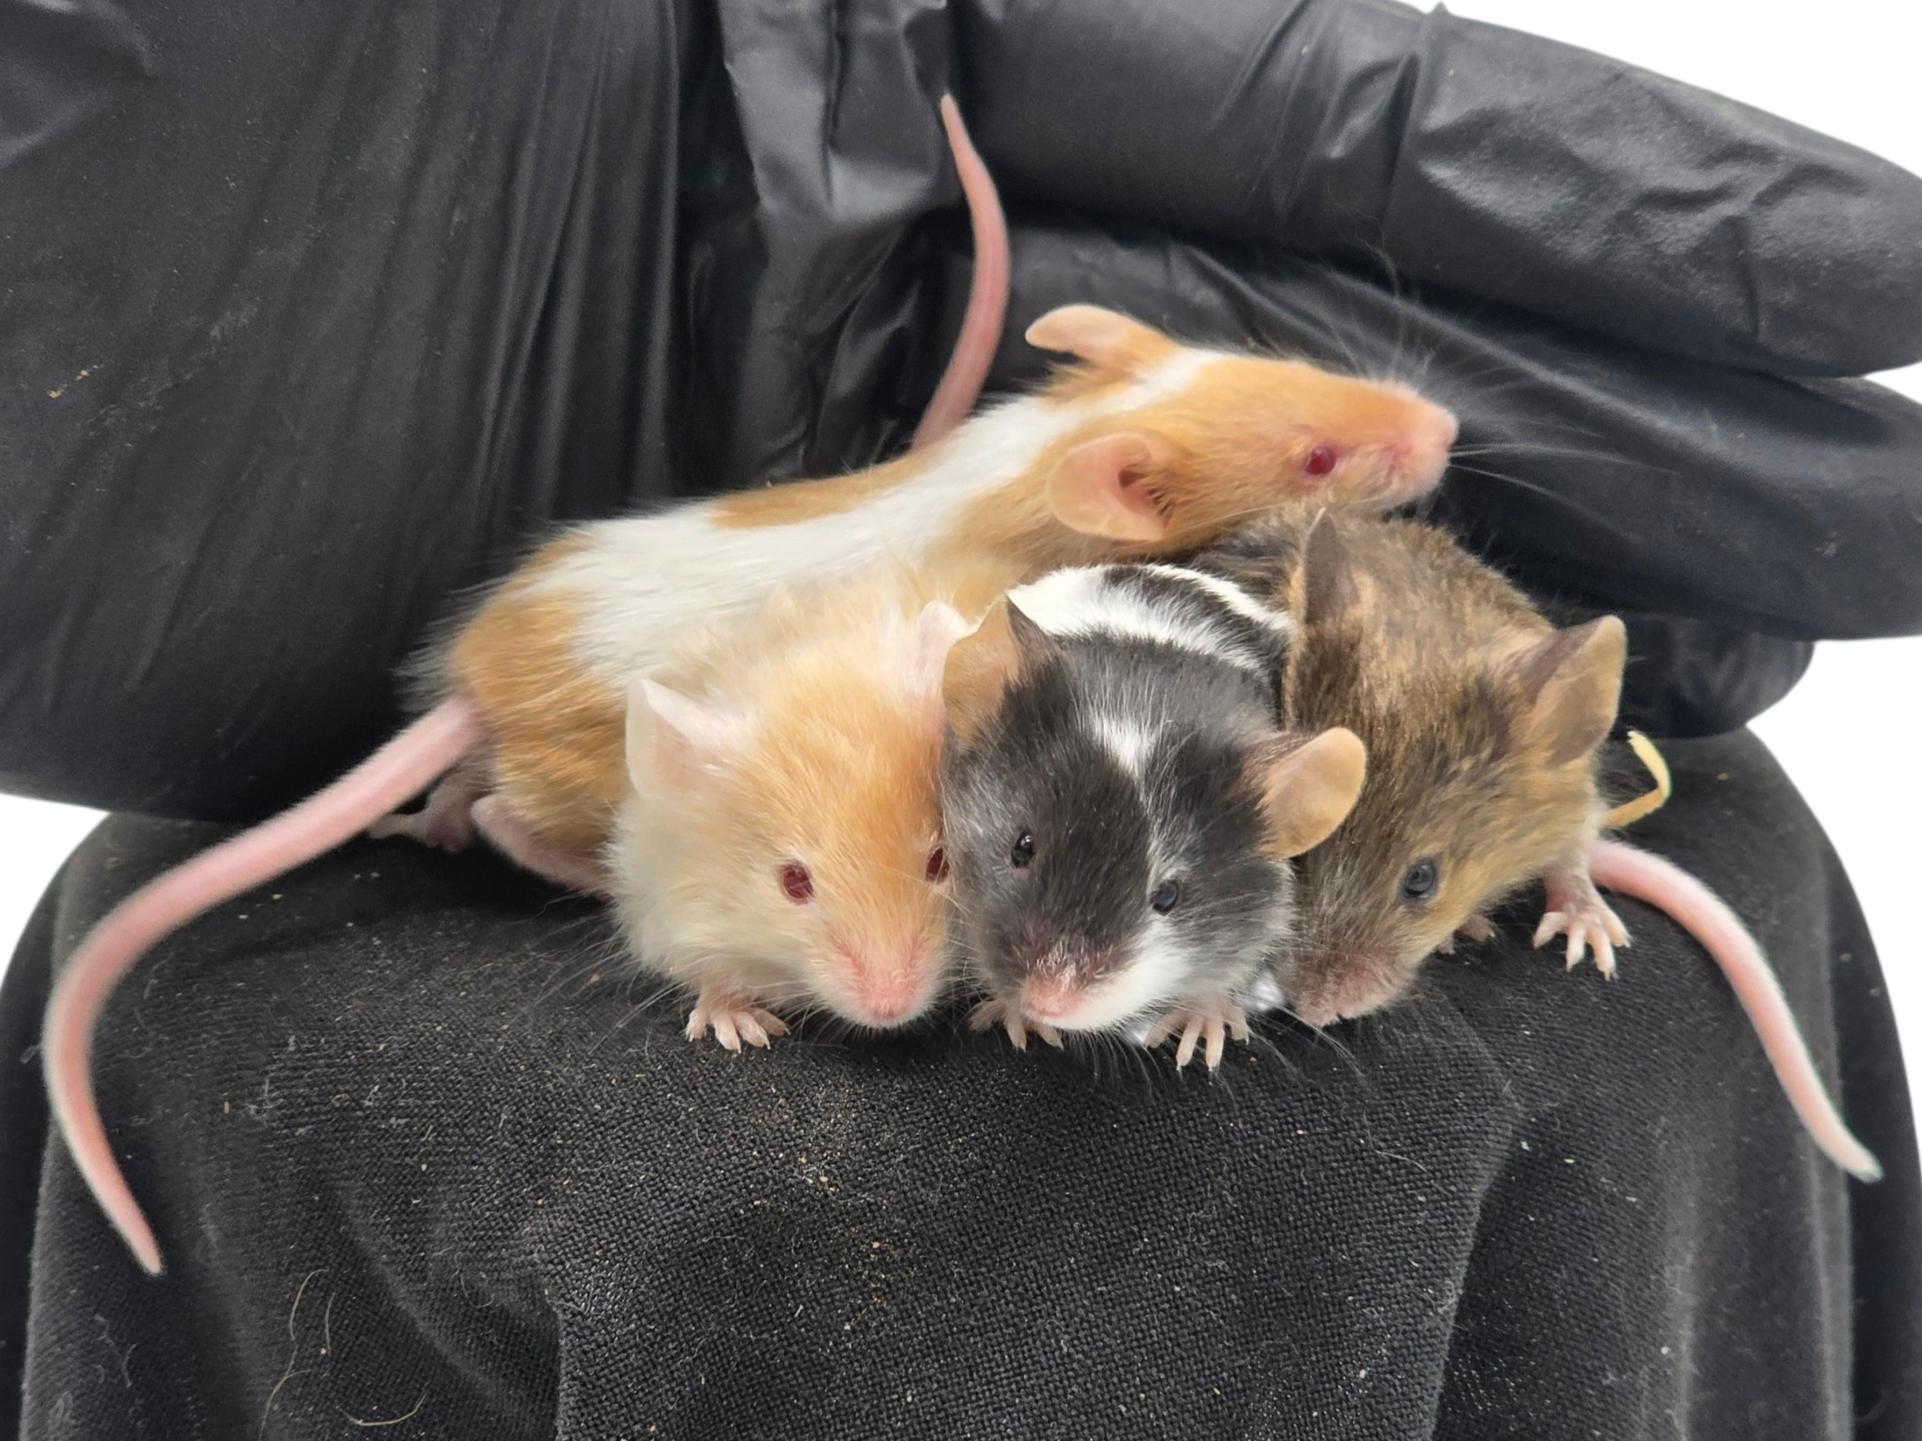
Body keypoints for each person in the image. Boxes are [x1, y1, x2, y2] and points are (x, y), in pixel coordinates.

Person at [2, 0, 1918, 1434]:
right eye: (1322, 462)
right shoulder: (1012, 611)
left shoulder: (1122, 599)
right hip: (622, 654)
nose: (1405, 453)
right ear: (1124, 498)